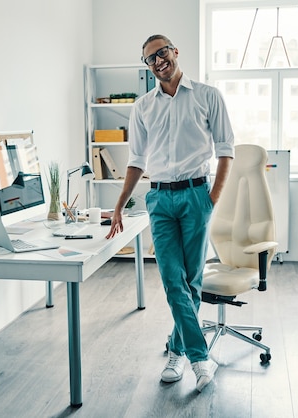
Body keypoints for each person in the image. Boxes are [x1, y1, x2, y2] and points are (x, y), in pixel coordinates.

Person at [106, 34, 234, 392]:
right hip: (159, 201)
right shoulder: (143, 107)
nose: (158, 61)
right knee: (172, 281)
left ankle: (176, 349)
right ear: (147, 67)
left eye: (162, 53)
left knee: (191, 283)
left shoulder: (208, 96)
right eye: (150, 59)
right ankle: (198, 356)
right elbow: (135, 162)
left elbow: (226, 150)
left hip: (196, 196)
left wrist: (211, 199)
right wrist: (119, 205)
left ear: (175, 52)